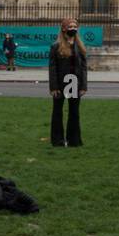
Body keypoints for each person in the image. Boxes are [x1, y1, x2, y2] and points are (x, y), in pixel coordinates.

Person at [49, 18, 88, 148]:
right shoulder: (56, 46)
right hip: (60, 83)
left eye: (75, 26)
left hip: (74, 83)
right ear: (64, 28)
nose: (73, 28)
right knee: (57, 112)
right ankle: (58, 140)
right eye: (70, 26)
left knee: (74, 113)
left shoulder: (80, 46)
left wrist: (83, 86)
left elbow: (83, 68)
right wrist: (54, 87)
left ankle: (74, 140)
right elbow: (52, 68)